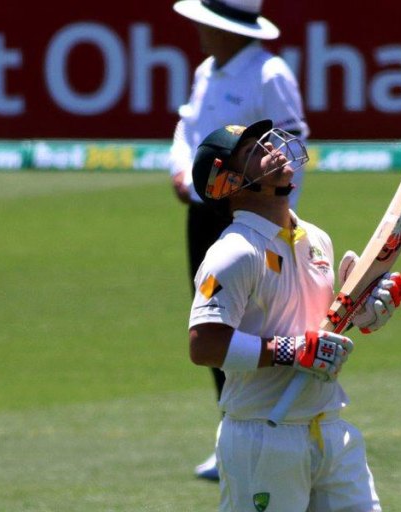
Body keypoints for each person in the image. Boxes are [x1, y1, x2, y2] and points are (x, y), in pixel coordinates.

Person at [188, 120, 401, 511]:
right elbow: (204, 345)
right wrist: (291, 351)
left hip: (329, 425)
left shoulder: (316, 238)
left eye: (264, 142)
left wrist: (362, 313)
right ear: (229, 182)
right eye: (252, 151)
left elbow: (317, 329)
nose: (271, 149)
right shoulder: (233, 253)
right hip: (263, 434)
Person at [169, 0, 310, 480]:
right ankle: (228, 427)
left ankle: (275, 421)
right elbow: (187, 127)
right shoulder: (206, 70)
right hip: (203, 211)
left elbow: (291, 146)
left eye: (207, 22)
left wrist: (279, 218)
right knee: (212, 317)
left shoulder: (270, 73)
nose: (199, 29)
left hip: (256, 216)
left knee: (260, 318)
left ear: (229, 27)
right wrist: (178, 168)